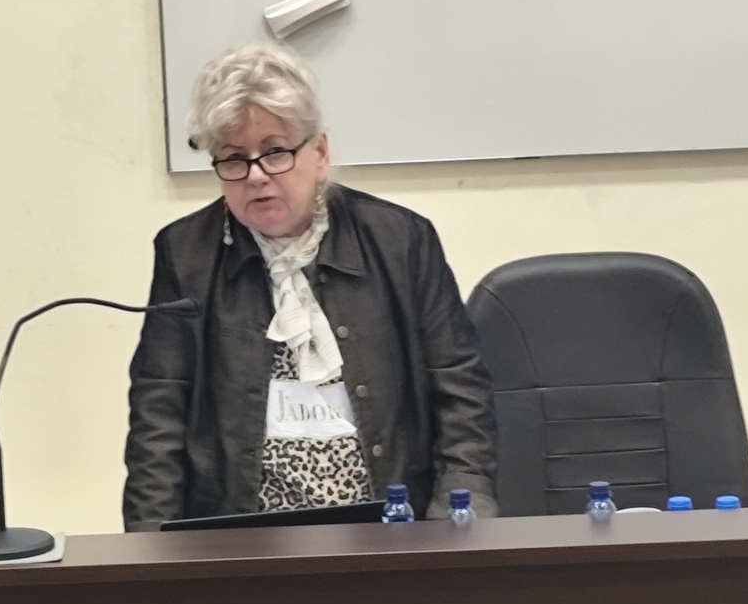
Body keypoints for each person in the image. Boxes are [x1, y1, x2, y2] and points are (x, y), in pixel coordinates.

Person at [123, 44, 498, 529]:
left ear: (319, 153)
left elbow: (461, 395)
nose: (256, 176)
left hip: (392, 535)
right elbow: (158, 418)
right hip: (239, 542)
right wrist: (152, 553)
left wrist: (456, 526)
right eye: (234, 159)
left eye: (275, 151)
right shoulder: (185, 254)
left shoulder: (400, 240)